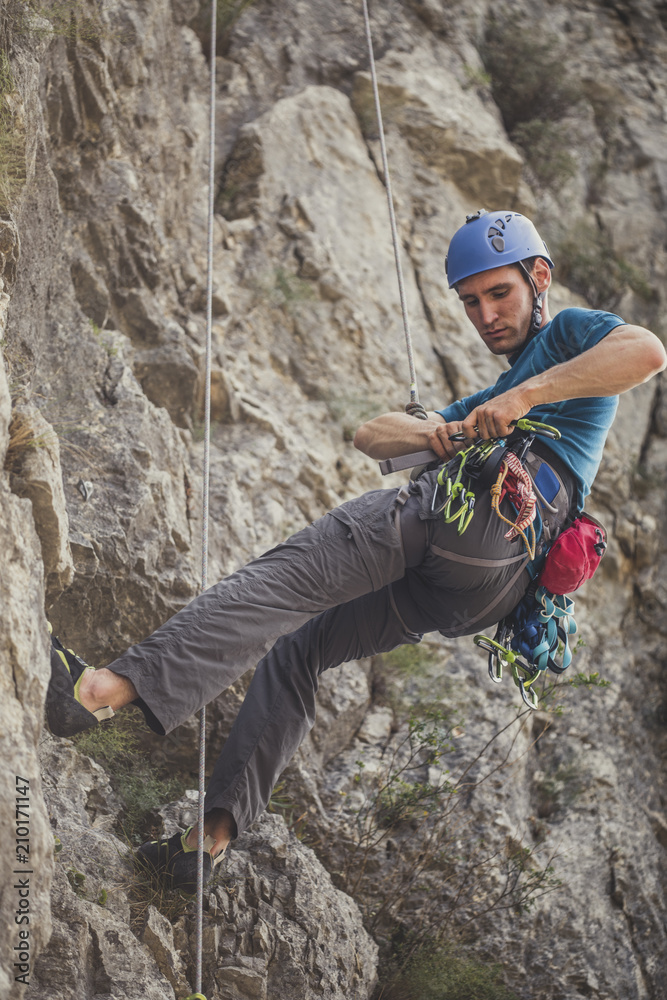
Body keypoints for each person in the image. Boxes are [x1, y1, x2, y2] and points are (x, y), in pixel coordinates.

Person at [46, 210, 666, 890]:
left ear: (537, 278)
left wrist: (523, 396)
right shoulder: (485, 398)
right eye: (469, 302)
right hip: (483, 589)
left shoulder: (570, 338)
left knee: (286, 580)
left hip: (468, 521)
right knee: (299, 648)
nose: (484, 313)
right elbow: (372, 436)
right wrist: (448, 428)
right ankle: (208, 840)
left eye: (498, 293)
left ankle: (100, 691)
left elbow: (645, 352)